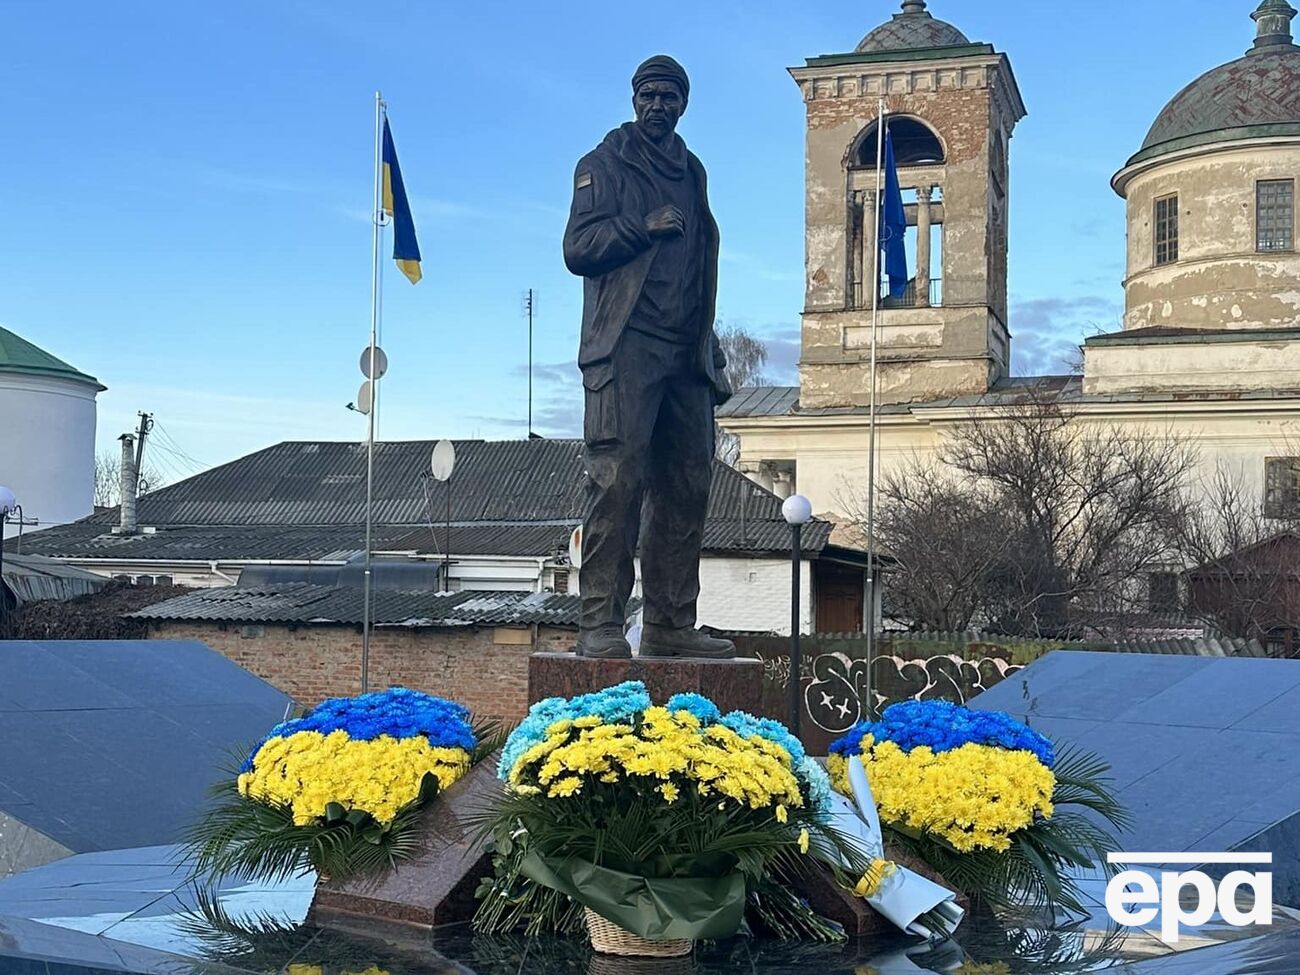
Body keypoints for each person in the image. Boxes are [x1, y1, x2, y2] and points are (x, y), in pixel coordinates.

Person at [563, 55, 736, 660]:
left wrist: (709, 344)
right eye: (649, 95)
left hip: (687, 350)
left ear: (683, 103)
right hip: (626, 343)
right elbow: (578, 247)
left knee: (687, 484)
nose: (658, 105)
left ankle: (669, 623)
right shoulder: (603, 164)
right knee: (618, 480)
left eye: (669, 96)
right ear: (634, 99)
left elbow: (699, 262)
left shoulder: (693, 171)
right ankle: (600, 623)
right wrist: (642, 226)